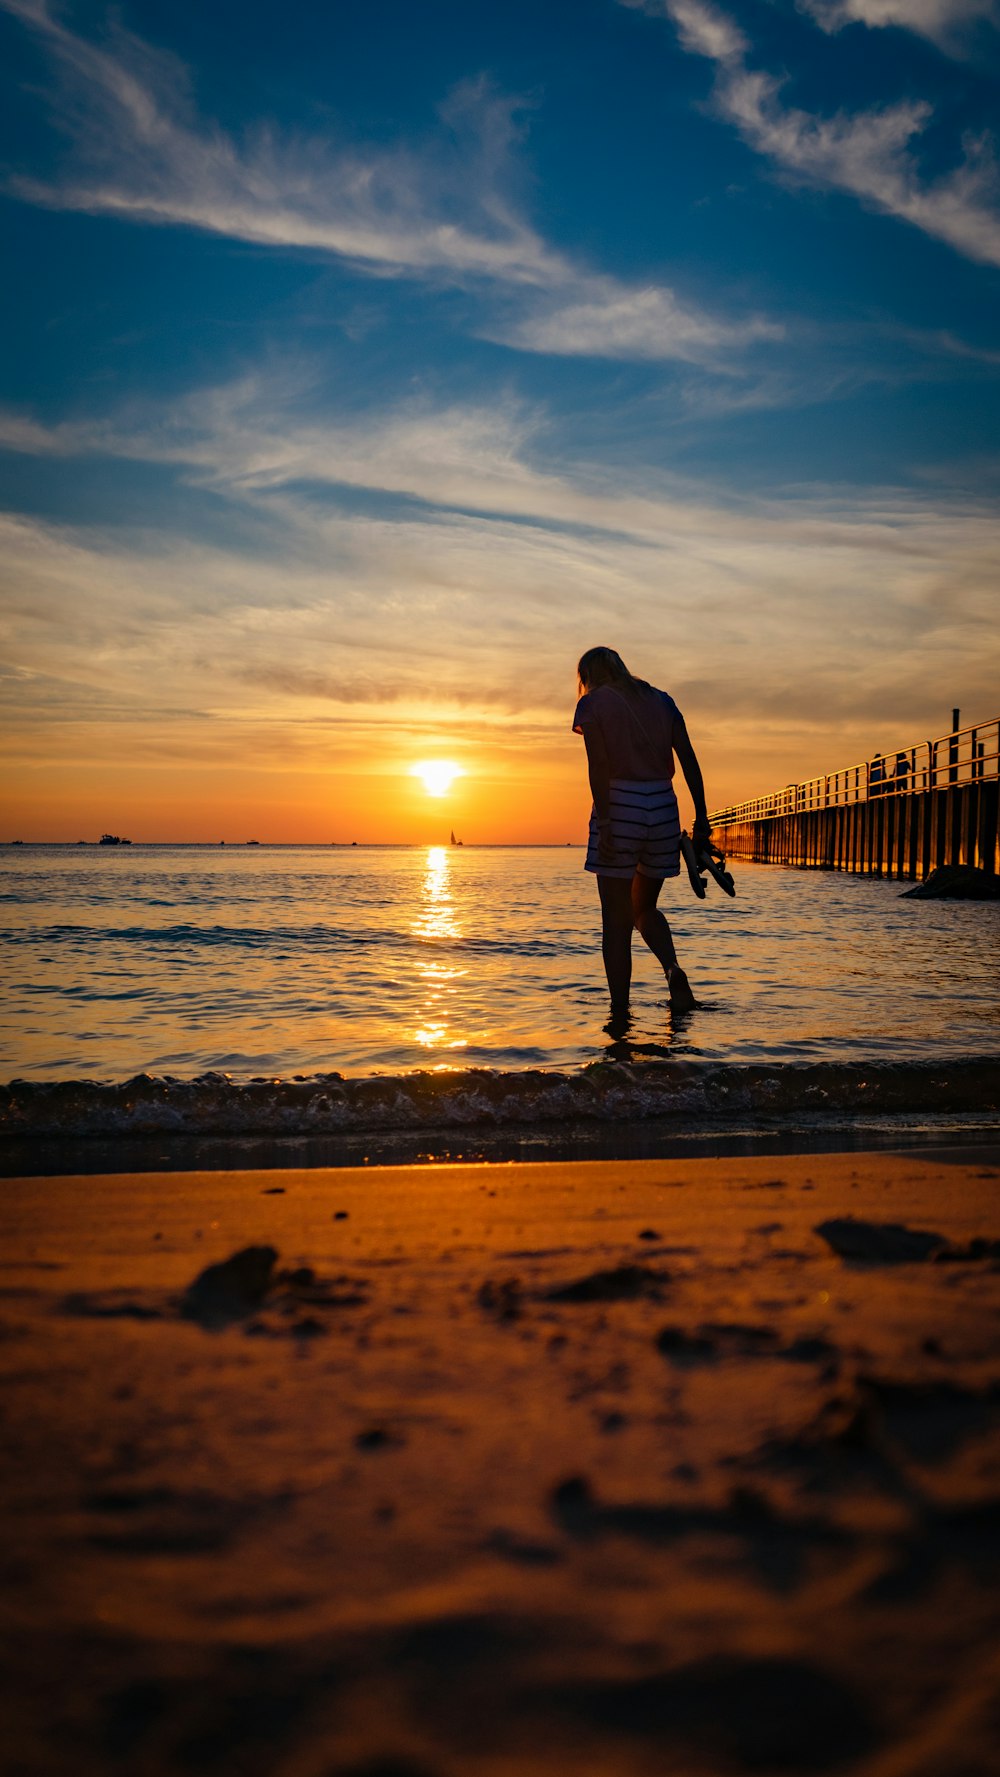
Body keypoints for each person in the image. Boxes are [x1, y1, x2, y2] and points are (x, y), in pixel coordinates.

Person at [573, 645, 711, 1019]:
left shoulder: (593, 703)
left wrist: (606, 821)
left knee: (615, 922)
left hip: (621, 803)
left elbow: (599, 767)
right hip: (664, 806)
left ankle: (620, 1013)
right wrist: (702, 817)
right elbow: (689, 761)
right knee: (644, 907)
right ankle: (672, 970)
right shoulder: (663, 701)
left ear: (587, 676)